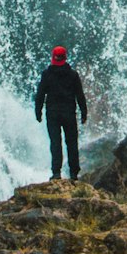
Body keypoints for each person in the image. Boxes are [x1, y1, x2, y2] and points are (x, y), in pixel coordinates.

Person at [35, 45, 88, 181]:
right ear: (65, 58)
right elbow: (80, 95)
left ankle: (56, 173)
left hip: (52, 114)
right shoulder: (73, 75)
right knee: (71, 143)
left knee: (55, 143)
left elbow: (40, 94)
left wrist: (38, 111)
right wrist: (83, 112)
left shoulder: (47, 74)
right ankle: (74, 174)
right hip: (69, 113)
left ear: (53, 58)